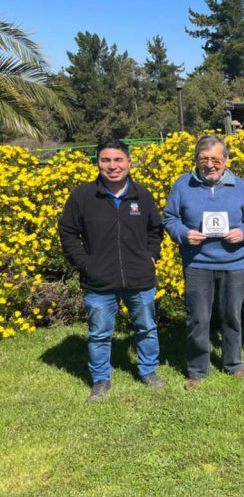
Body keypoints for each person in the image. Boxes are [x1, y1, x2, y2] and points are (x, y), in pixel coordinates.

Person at [58, 138, 165, 402]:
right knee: (99, 334)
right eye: (106, 160)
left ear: (129, 163)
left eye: (118, 160)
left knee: (146, 328)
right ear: (97, 163)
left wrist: (152, 255)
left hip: (139, 278)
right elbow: (68, 232)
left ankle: (148, 371)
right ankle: (100, 380)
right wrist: (85, 263)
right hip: (99, 281)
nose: (113, 166)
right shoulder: (83, 196)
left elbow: (155, 229)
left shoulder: (142, 194)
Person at [164, 135, 244, 389]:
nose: (210, 165)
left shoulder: (239, 186)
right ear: (196, 160)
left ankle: (234, 364)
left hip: (233, 262)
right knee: (198, 318)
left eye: (215, 159)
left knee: (232, 316)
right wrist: (184, 234)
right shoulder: (183, 184)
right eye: (204, 159)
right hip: (198, 263)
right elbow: (170, 218)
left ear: (225, 160)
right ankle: (197, 370)